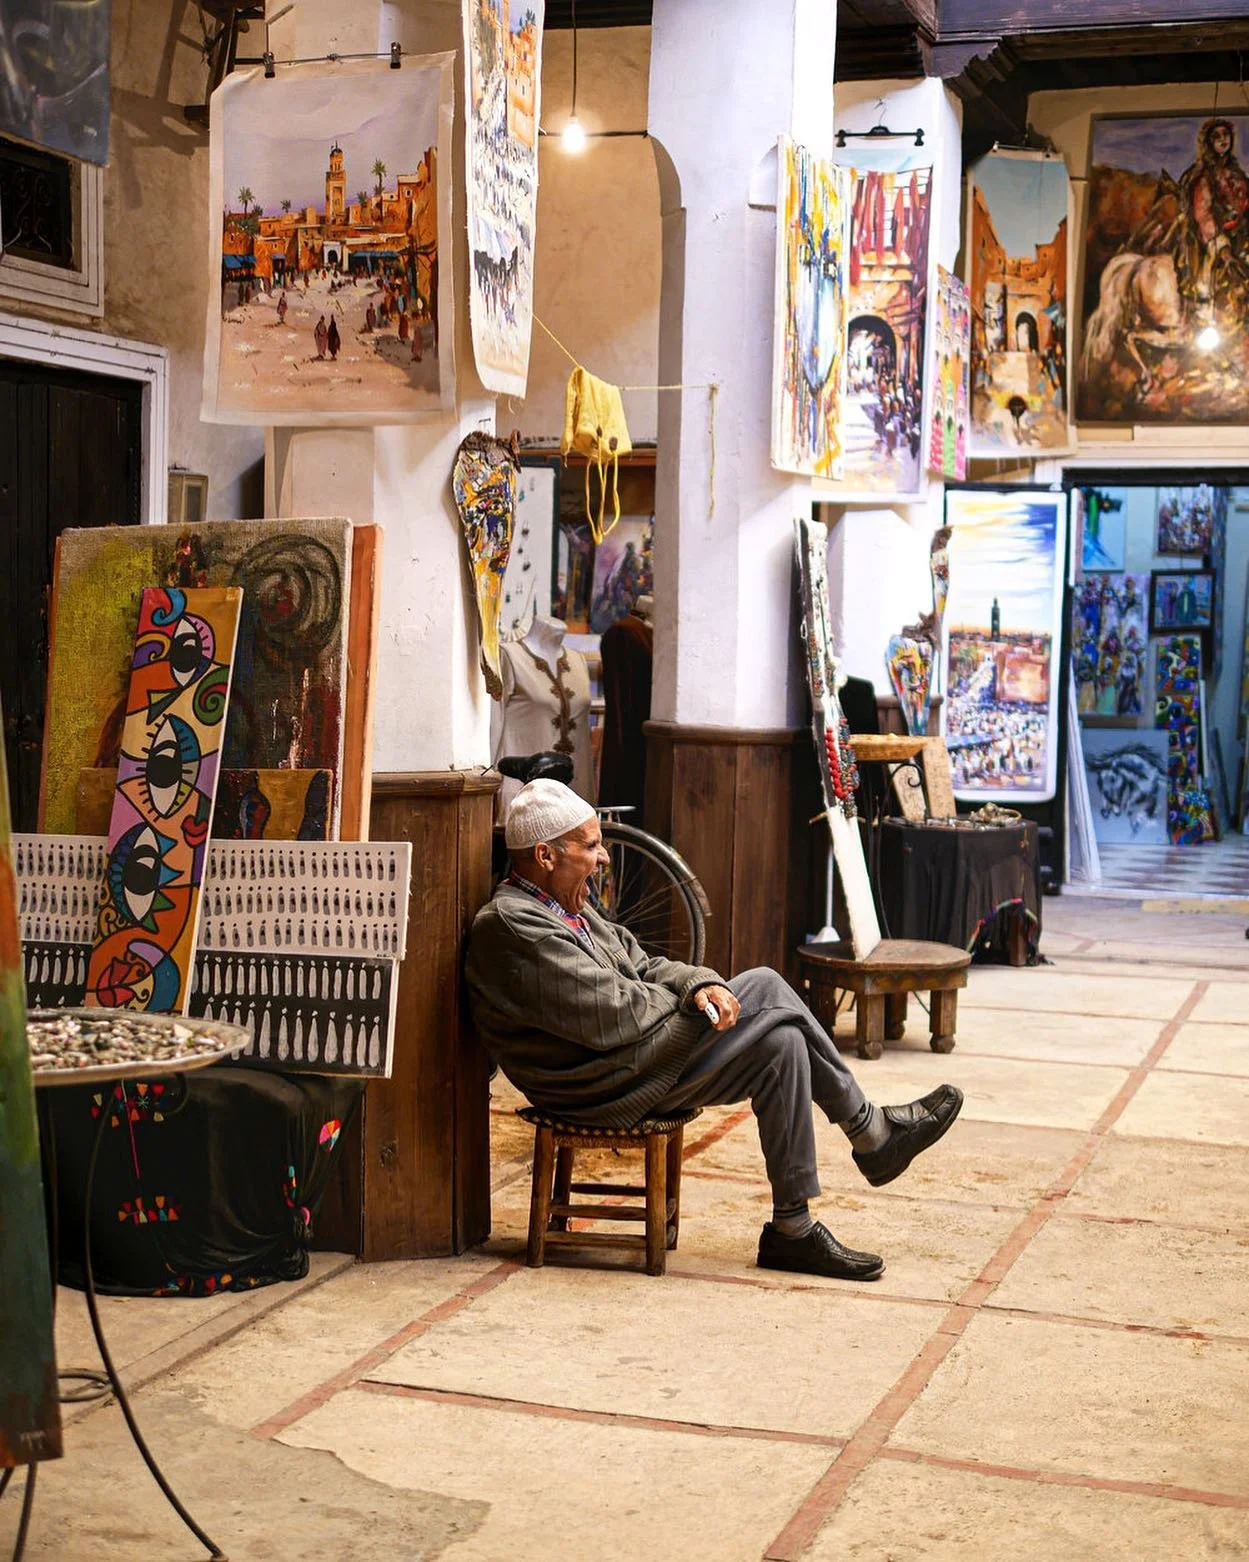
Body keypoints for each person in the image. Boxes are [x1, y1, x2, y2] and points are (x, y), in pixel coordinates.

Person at [466, 780, 964, 1281]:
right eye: (591, 846)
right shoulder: (512, 926)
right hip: (596, 1082)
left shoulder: (570, 909)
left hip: (631, 1063)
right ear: (546, 855)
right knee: (766, 986)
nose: (604, 860)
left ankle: (792, 1229)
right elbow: (615, 1014)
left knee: (782, 1043)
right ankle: (870, 1131)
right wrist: (693, 1001)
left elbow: (646, 963)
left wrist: (698, 982)